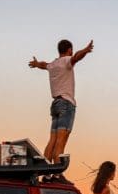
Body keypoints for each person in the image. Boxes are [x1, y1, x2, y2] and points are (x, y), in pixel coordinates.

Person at [28, 39, 94, 184]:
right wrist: (85, 51)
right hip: (66, 103)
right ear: (69, 50)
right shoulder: (66, 61)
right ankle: (57, 175)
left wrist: (36, 64)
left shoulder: (53, 65)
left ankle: (45, 174)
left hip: (55, 104)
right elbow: (77, 57)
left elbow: (44, 65)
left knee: (52, 140)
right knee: (61, 141)